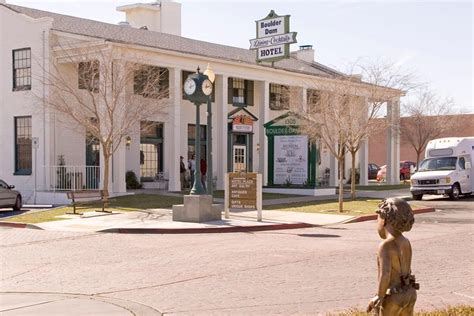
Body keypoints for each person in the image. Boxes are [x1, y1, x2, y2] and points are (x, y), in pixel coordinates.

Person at [367, 198, 419, 315]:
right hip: (410, 293)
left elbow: (385, 274)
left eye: (377, 219)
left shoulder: (385, 246)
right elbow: (408, 270)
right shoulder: (406, 242)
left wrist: (379, 296)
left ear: (384, 220)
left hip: (393, 296)